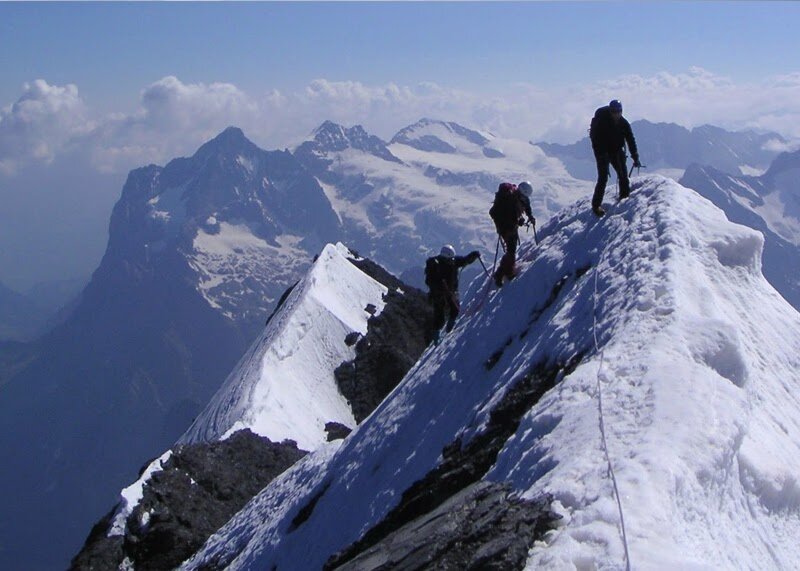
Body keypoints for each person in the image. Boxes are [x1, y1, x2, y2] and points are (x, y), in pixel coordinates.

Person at [590, 99, 641, 216]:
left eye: (618, 111)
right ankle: (596, 205)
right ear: (610, 111)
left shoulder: (624, 124)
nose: (616, 114)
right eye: (614, 111)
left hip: (616, 150)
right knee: (603, 178)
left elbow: (630, 140)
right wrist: (602, 156)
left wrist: (635, 157)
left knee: (623, 174)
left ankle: (624, 197)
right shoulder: (602, 122)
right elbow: (596, 140)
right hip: (602, 151)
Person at [425, 245, 480, 341]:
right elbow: (430, 282)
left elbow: (464, 260)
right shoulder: (436, 266)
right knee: (442, 314)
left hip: (447, 292)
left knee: (452, 310)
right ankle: (438, 335)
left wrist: (473, 255)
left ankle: (447, 330)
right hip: (440, 294)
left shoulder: (449, 262)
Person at [489, 181, 535, 287]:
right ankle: (505, 273)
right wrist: (517, 221)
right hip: (506, 228)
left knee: (511, 250)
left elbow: (526, 206)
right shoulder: (510, 199)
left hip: (509, 228)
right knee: (511, 250)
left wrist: (530, 216)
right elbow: (507, 215)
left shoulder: (519, 197)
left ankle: (502, 272)